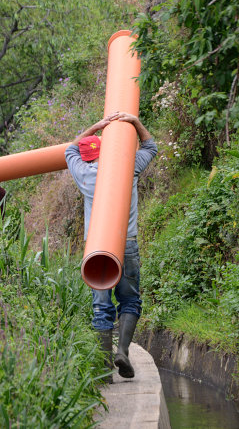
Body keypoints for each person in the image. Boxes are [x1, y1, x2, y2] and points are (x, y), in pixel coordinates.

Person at [65, 111, 157, 381]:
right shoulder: (128, 167)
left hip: (96, 247)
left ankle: (104, 368)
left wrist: (95, 126)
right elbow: (151, 146)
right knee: (130, 300)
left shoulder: (82, 172)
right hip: (126, 242)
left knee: (100, 305)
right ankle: (123, 351)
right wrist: (134, 122)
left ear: (87, 156)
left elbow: (70, 148)